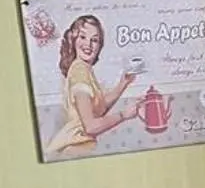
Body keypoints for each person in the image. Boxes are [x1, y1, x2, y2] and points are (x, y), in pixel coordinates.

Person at [46, 14, 140, 155]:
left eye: (94, 40)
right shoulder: (79, 71)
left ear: (99, 46)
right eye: (83, 37)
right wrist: (124, 115)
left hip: (77, 145)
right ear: (73, 40)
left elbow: (97, 110)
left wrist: (123, 84)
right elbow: (90, 127)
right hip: (75, 145)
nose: (88, 45)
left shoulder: (83, 69)